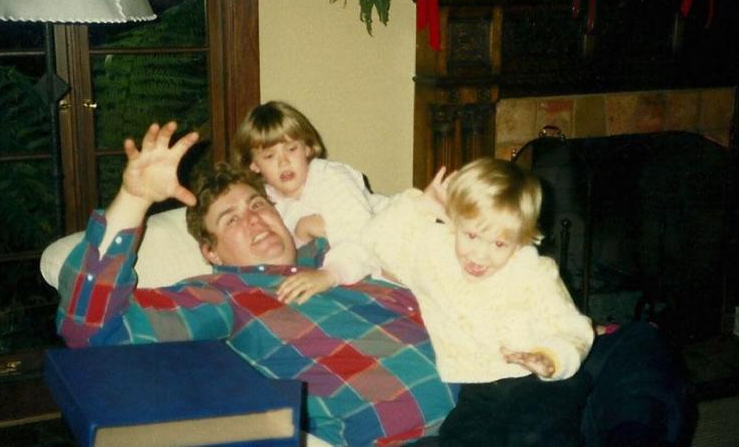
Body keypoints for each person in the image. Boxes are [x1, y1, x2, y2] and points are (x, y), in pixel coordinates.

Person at [55, 121, 457, 446]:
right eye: (231, 219)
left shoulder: (342, 248)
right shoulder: (222, 295)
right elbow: (91, 329)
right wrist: (133, 198)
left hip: (484, 383)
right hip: (422, 435)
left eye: (258, 205)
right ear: (211, 252)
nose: (253, 219)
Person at [363, 158, 592, 445]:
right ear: (455, 221)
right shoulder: (433, 253)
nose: (480, 255)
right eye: (472, 235)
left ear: (521, 239)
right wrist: (421, 204)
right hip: (479, 391)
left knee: (536, 436)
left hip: (541, 384)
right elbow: (374, 240)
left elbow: (574, 328)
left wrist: (551, 358)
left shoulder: (533, 271)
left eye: (499, 244)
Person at [231, 101, 387, 303]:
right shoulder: (266, 204)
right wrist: (302, 231)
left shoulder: (330, 177)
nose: (283, 162)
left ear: (307, 148)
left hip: (399, 230)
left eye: (291, 149)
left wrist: (329, 275)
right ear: (253, 164)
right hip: (363, 267)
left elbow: (360, 237)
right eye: (269, 156)